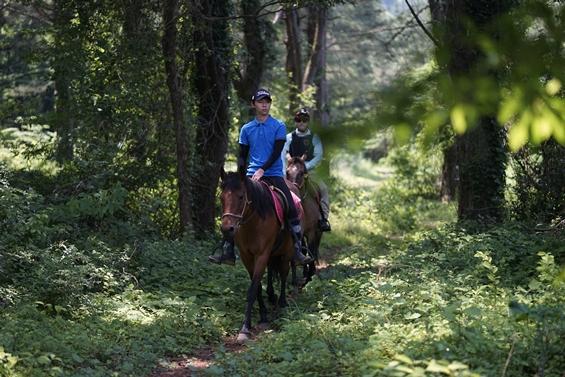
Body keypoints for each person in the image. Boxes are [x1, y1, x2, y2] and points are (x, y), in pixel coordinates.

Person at [208, 89, 313, 266]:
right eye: (260, 101)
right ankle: (227, 249)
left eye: (267, 101)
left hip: (273, 175)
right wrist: (241, 175)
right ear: (253, 104)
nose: (264, 105)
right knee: (233, 206)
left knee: (292, 204)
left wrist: (263, 170)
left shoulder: (278, 126)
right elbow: (242, 155)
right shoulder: (246, 129)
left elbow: (276, 152)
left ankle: (297, 250)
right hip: (250, 177)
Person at [282, 108, 331, 232]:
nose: (301, 122)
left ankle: (323, 219)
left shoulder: (314, 137)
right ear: (296, 121)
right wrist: (285, 171)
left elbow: (318, 156)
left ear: (308, 121)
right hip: (291, 171)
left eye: (304, 120)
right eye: (299, 120)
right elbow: (283, 155)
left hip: (309, 171)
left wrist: (304, 167)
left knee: (323, 189)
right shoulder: (289, 137)